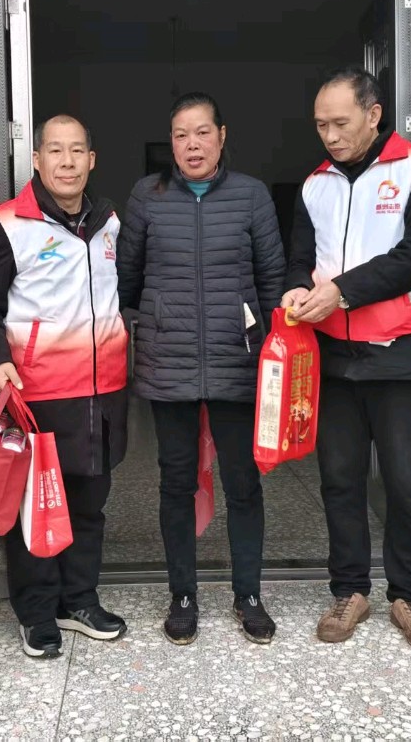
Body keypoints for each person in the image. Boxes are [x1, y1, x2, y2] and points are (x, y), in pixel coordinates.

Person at [283, 67, 411, 653]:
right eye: (320, 125)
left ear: (374, 115)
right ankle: (350, 590)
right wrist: (295, 287)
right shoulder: (315, 184)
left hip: (403, 355)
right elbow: (299, 257)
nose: (329, 136)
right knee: (339, 480)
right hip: (334, 358)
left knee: (406, 482)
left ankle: (409, 596)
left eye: (340, 123)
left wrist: (343, 291)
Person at [118, 92, 286, 645]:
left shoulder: (252, 195)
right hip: (169, 362)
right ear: (171, 143)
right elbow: (127, 278)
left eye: (202, 132)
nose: (192, 145)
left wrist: (272, 348)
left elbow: (272, 277)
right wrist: (149, 323)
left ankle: (249, 595)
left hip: (238, 360)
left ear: (221, 135)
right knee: (176, 483)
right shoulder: (147, 195)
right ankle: (183, 596)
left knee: (244, 484)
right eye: (181, 135)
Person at [0, 114, 129, 658]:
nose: (66, 161)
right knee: (36, 507)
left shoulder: (110, 223)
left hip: (103, 391)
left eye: (76, 150)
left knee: (89, 505)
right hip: (37, 394)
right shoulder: (8, 224)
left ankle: (79, 600)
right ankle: (37, 614)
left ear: (91, 160)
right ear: (36, 160)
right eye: (55, 150)